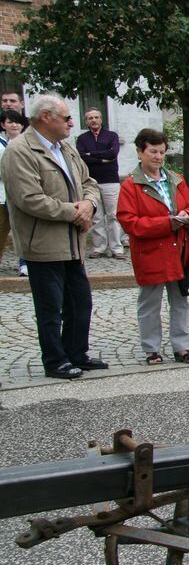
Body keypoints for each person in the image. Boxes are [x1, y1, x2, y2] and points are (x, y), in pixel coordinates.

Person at [0, 93, 107, 379]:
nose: (72, 122)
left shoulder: (66, 149)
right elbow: (29, 199)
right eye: (67, 117)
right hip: (43, 243)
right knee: (51, 307)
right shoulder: (20, 150)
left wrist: (90, 204)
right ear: (46, 118)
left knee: (80, 302)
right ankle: (55, 359)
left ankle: (76, 352)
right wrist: (75, 211)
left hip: (72, 242)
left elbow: (89, 183)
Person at [117, 128, 189, 364]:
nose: (158, 157)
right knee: (150, 303)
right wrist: (167, 223)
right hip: (151, 252)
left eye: (162, 152)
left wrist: (187, 214)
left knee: (180, 300)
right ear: (140, 152)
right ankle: (151, 348)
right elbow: (130, 222)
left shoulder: (176, 179)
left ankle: (182, 346)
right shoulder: (131, 186)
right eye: (153, 151)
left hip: (178, 250)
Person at [76, 108, 123, 259]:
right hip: (91, 182)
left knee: (114, 215)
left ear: (101, 119)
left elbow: (113, 153)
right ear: (86, 121)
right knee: (96, 217)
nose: (94, 120)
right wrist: (102, 157)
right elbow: (82, 157)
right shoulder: (82, 139)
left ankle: (117, 248)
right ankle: (99, 248)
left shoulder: (111, 136)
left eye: (96, 117)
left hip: (110, 181)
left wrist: (92, 154)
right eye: (90, 118)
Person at [0, 109, 28, 266]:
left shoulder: (28, 143)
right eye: (10, 122)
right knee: (1, 230)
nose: (14, 125)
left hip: (23, 193)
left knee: (24, 231)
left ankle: (25, 263)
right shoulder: (0, 144)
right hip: (2, 195)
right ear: (3, 125)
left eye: (17, 122)